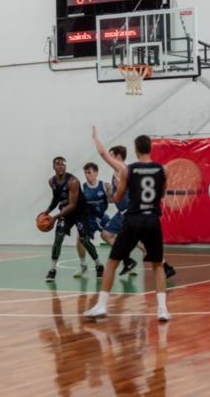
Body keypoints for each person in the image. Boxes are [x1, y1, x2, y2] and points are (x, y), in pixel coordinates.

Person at [84, 130, 170, 322]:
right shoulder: (162, 170)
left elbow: (119, 196)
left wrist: (115, 193)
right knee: (157, 265)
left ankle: (101, 306)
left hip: (133, 219)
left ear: (136, 150)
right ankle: (163, 310)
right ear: (150, 148)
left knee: (113, 262)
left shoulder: (128, 170)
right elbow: (162, 194)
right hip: (153, 219)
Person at [96, 141, 176, 279]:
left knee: (107, 235)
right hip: (125, 212)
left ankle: (128, 260)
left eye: (112, 155)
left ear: (118, 156)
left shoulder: (121, 170)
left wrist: (95, 138)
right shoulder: (122, 171)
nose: (109, 158)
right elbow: (119, 197)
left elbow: (103, 154)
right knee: (137, 242)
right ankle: (163, 266)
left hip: (128, 212)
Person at [42, 156, 104, 282]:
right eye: (58, 164)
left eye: (63, 165)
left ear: (66, 167)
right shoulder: (51, 181)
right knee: (58, 238)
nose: (60, 166)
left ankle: (99, 265)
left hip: (80, 213)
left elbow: (72, 205)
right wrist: (47, 211)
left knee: (84, 240)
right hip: (66, 213)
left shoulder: (73, 181)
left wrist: (55, 217)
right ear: (53, 167)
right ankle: (52, 270)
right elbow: (56, 198)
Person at [76, 162, 110, 278]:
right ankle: (84, 265)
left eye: (89, 172)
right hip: (89, 219)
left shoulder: (105, 186)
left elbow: (113, 199)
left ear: (96, 173)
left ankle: (127, 262)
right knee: (80, 239)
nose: (87, 175)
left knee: (115, 239)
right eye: (85, 173)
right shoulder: (83, 188)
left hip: (102, 217)